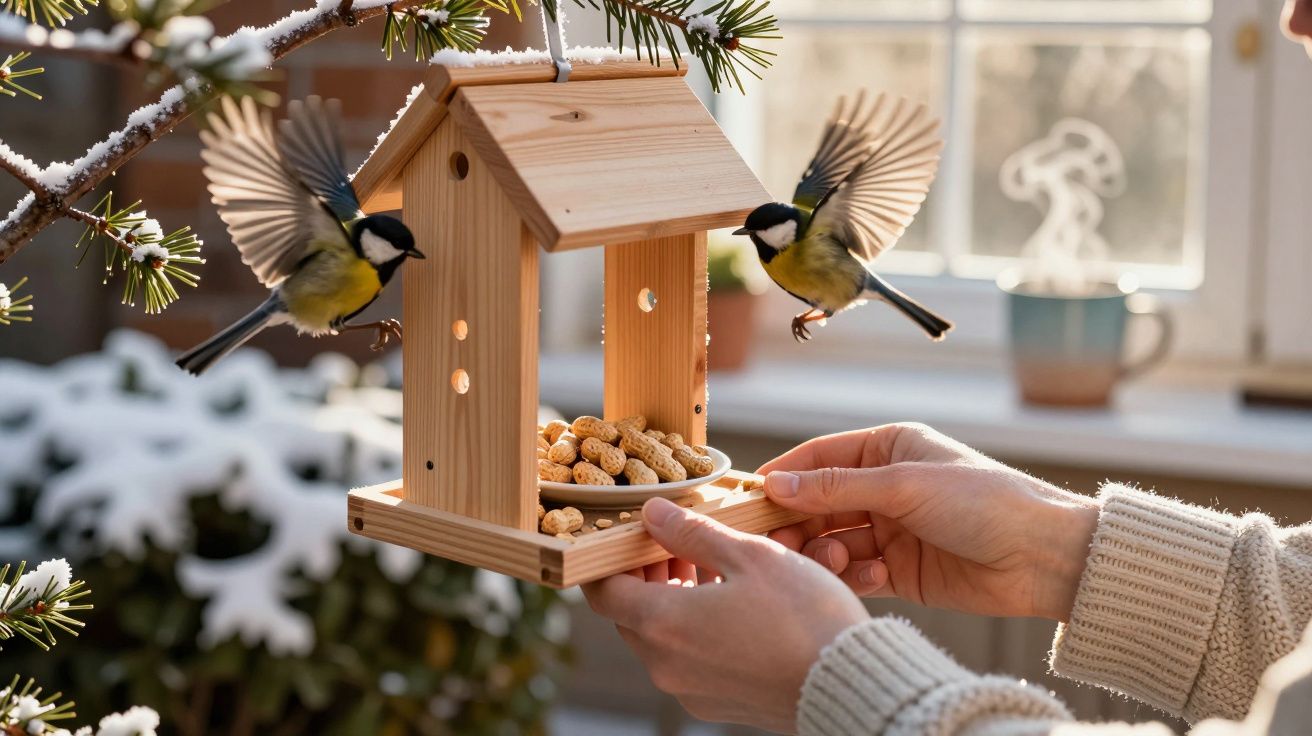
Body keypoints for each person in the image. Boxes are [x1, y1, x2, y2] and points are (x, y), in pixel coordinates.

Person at [582, 14, 1312, 731]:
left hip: (850, 281)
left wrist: (839, 682)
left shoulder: (813, 223)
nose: (1291, 17)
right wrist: (1051, 545)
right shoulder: (782, 235)